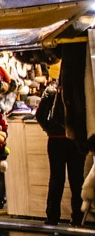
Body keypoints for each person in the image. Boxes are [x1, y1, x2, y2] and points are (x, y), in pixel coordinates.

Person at [35, 81, 85, 226]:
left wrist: (49, 129)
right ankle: (78, 217)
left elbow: (40, 115)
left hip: (56, 140)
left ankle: (52, 217)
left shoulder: (51, 91)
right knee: (77, 180)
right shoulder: (78, 89)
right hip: (75, 140)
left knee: (56, 178)